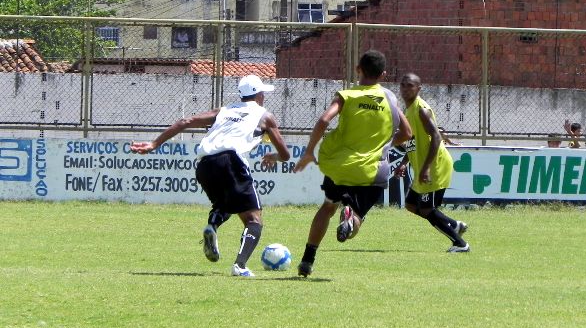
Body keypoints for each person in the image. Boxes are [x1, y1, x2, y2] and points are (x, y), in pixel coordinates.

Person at [130, 75, 290, 277]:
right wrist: (274, 156)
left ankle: (212, 226)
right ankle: (239, 266)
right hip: (231, 160)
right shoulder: (264, 116)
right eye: (263, 93)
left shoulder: (225, 110)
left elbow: (185, 121)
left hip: (204, 164)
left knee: (226, 205)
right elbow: (285, 154)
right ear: (259, 95)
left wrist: (154, 144)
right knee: (253, 219)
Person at [293, 50, 412, 277]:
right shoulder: (389, 98)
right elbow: (407, 132)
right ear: (383, 74)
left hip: (340, 166)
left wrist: (309, 151)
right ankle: (351, 216)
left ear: (358, 69)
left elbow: (323, 120)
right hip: (372, 170)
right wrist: (384, 143)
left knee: (328, 207)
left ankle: (307, 260)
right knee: (357, 217)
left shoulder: (347, 95)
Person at [395, 73, 469, 253]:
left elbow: (436, 137)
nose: (406, 89)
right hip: (422, 166)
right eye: (403, 85)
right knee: (411, 205)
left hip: (435, 167)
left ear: (419, 89)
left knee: (428, 209)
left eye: (410, 85)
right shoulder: (408, 110)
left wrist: (427, 168)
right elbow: (414, 141)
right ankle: (453, 224)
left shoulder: (421, 109)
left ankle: (460, 244)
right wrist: (404, 162)